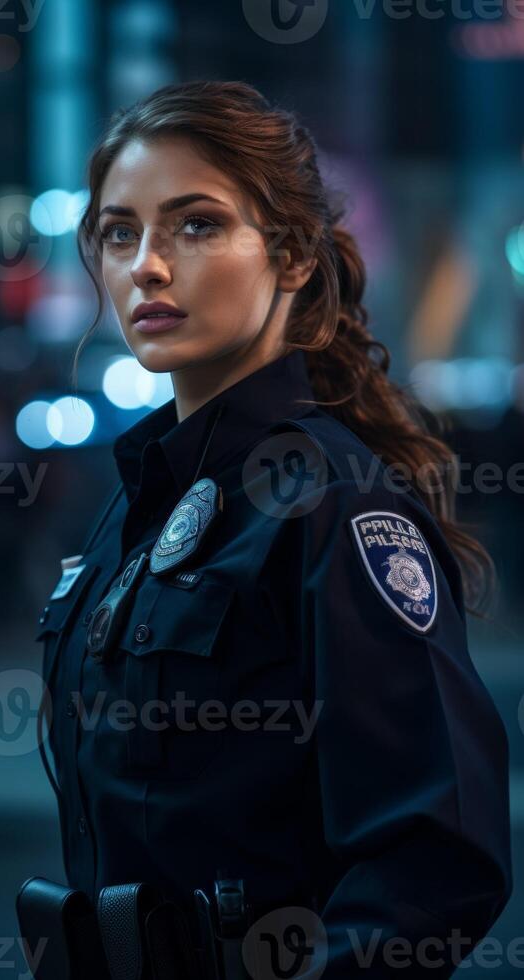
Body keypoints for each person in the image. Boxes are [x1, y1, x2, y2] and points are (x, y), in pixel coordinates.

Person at [34, 80, 512, 978]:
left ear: (291, 255)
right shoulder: (140, 499)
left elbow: (436, 865)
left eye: (197, 225)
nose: (147, 265)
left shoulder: (332, 502)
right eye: (118, 232)